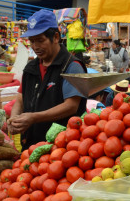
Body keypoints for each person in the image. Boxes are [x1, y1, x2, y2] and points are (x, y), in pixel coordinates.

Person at [8, 10, 87, 148]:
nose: (35, 47)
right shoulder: (30, 68)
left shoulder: (71, 66)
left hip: (61, 147)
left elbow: (71, 106)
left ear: (56, 37)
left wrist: (33, 118)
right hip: (31, 146)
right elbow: (20, 98)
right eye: (32, 41)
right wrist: (14, 118)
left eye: (40, 40)